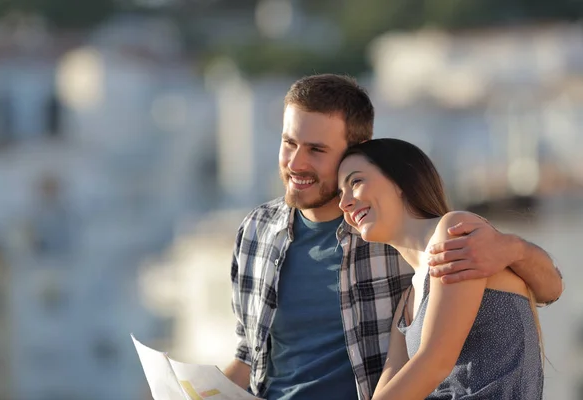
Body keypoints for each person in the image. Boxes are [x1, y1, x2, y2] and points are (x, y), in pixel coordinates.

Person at [223, 74, 563, 400]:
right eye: (289, 143)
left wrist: (513, 249)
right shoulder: (256, 231)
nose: (296, 162)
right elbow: (247, 356)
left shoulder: (448, 236)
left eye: (316, 150)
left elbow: (548, 290)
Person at [338, 138, 545, 399]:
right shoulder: (407, 301)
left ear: (399, 180)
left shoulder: (456, 232)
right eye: (339, 193)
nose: (343, 203)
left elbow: (435, 362)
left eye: (355, 182)